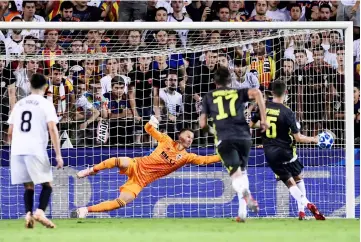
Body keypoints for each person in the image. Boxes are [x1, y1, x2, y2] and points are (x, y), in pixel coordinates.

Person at [73, 116, 221, 218]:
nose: (190, 140)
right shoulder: (166, 140)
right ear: (180, 135)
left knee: (121, 202)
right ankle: (91, 170)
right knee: (119, 160)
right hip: (136, 164)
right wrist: (152, 122)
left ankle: (85, 210)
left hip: (141, 181)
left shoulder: (187, 157)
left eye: (192, 138)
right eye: (188, 136)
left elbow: (206, 160)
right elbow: (148, 129)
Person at [199, 66, 269, 222]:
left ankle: (246, 194)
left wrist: (211, 130)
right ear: (229, 80)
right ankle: (242, 213)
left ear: (214, 82)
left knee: (235, 174)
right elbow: (258, 93)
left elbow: (202, 123)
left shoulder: (209, 97)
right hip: (244, 137)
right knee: (243, 171)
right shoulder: (238, 92)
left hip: (225, 138)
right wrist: (264, 120)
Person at [249, 80, 325, 221]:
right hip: (286, 151)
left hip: (270, 153)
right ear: (286, 93)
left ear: (271, 92)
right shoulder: (288, 112)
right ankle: (302, 210)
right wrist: (314, 139)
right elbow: (298, 138)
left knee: (289, 182)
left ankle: (306, 206)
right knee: (297, 177)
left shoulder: (263, 106)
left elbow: (252, 125)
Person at [7, 73, 63, 228]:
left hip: (17, 150)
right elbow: (52, 128)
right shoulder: (45, 104)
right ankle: (40, 211)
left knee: (29, 186)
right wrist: (58, 155)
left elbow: (10, 131)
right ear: (46, 87)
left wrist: (16, 147)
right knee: (47, 185)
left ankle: (28, 214)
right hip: (35, 149)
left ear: (30, 86)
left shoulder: (19, 104)